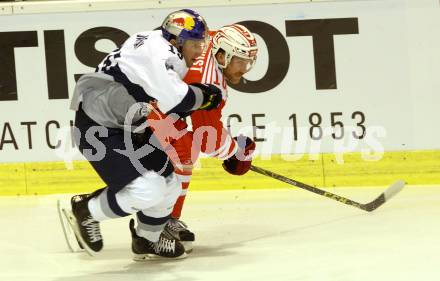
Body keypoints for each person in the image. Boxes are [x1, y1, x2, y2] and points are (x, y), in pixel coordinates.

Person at [63, 9, 223, 260]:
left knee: (169, 184)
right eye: (194, 44)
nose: (199, 51)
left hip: (129, 125)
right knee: (149, 189)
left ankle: (147, 239)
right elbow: (178, 99)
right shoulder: (159, 54)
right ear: (176, 41)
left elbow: (161, 99)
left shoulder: (155, 42)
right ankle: (86, 210)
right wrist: (206, 96)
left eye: (201, 43)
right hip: (98, 128)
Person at [146, 24, 259, 252]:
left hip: (144, 97)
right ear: (222, 56)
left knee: (180, 151)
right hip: (134, 103)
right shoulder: (208, 81)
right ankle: (151, 230)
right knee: (178, 154)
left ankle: (165, 220)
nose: (244, 69)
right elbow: (208, 138)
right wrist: (237, 152)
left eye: (248, 63)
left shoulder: (215, 40)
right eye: (240, 62)